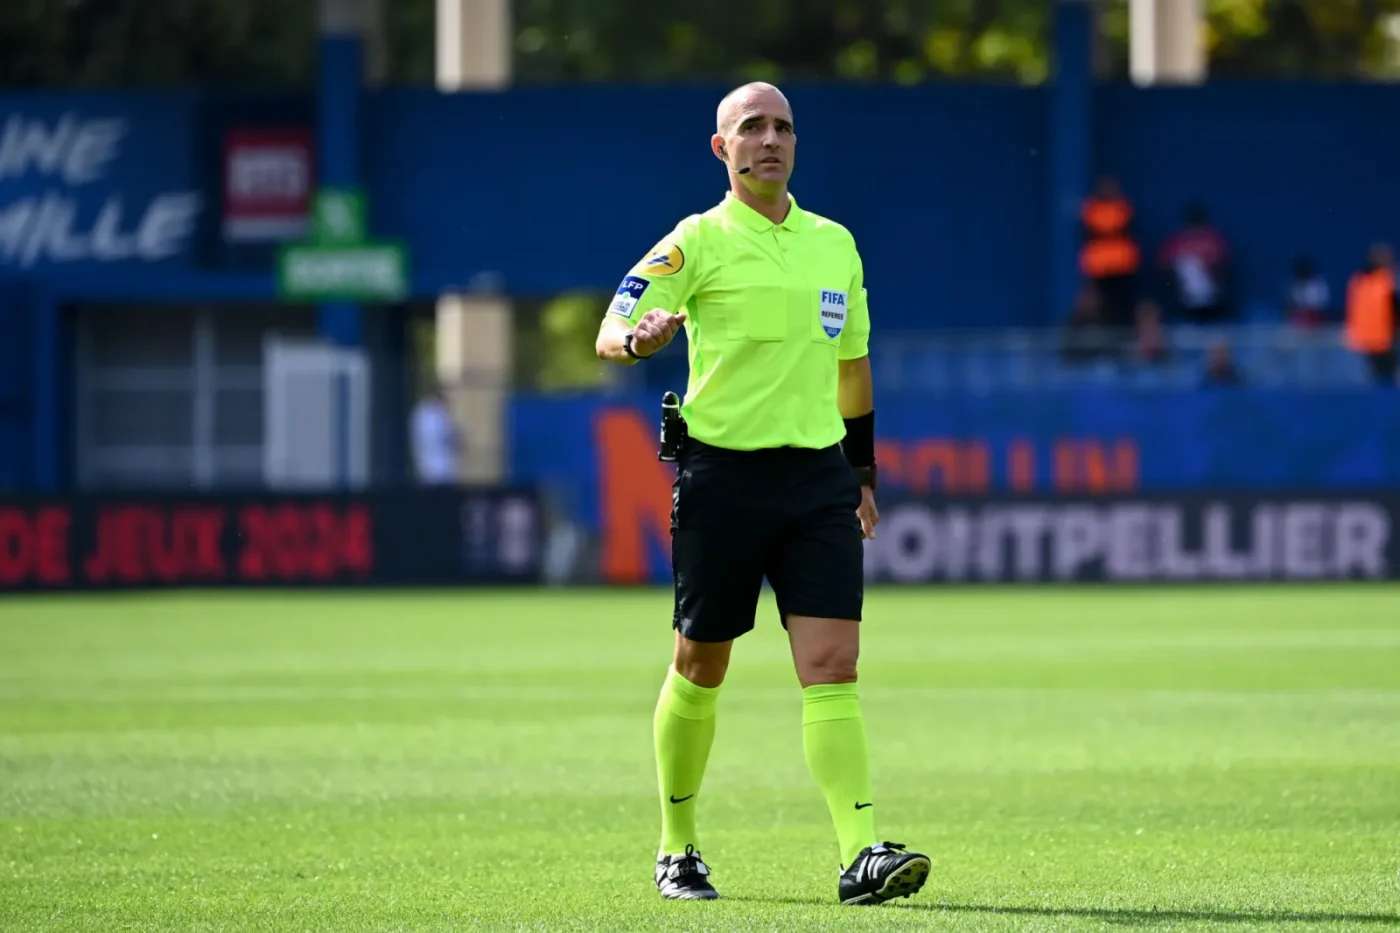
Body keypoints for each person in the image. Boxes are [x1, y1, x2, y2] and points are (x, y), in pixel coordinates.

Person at [594, 82, 930, 906]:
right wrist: (636, 342)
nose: (769, 140)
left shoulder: (834, 244)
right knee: (700, 662)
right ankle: (677, 847)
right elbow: (615, 327)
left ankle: (861, 853)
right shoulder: (696, 242)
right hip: (723, 477)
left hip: (817, 479)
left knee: (833, 664)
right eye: (751, 127)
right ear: (723, 149)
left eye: (782, 127)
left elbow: (853, 365)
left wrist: (861, 471)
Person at [1078, 176, 1141, 327]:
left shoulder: (1122, 207)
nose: (1109, 190)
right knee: (1101, 302)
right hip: (1099, 266)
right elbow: (1094, 231)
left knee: (1122, 301)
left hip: (1122, 265)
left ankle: (1124, 330)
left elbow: (1122, 226)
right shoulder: (1092, 209)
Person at [1157, 202, 1231, 324]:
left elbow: (1223, 266)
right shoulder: (1178, 242)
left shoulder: (1212, 240)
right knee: (1188, 264)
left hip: (1212, 299)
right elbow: (1164, 265)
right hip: (1184, 299)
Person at [1345, 243, 1397, 385]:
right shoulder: (1360, 280)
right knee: (1370, 386)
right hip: (1366, 343)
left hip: (1387, 342)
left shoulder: (1389, 279)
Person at [408, 387, 461, 484]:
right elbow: (449, 436)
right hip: (437, 468)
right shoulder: (433, 414)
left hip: (431, 466)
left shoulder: (421, 412)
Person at [1285, 255, 1330, 330]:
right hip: (1298, 321)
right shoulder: (1293, 285)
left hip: (1316, 321)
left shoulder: (1317, 284)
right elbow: (1290, 306)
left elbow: (1320, 305)